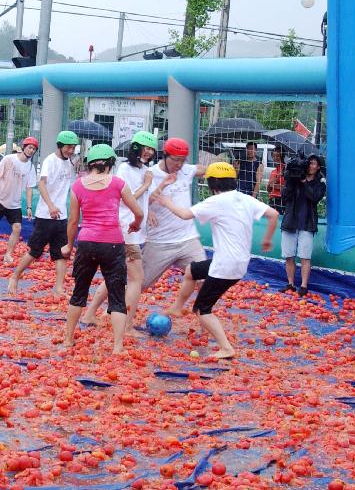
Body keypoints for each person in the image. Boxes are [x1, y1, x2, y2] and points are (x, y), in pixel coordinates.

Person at [157, 162, 279, 359]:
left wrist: (165, 201)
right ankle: (178, 306)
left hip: (225, 266)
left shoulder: (216, 201)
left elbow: (185, 214)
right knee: (192, 270)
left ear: (212, 185)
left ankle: (226, 347)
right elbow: (273, 214)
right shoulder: (244, 198)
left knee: (202, 309)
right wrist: (266, 240)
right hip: (237, 262)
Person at [60, 144, 145, 355]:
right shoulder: (118, 184)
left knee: (79, 292)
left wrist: (70, 245)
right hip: (113, 243)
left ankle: (68, 339)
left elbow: (72, 221)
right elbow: (138, 211)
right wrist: (135, 224)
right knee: (116, 295)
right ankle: (117, 346)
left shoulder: (78, 186)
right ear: (110, 164)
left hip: (87, 242)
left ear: (91, 164)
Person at [81, 131, 157, 332]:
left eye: (152, 149)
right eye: (146, 148)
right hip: (126, 229)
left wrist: (148, 210)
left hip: (132, 230)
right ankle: (127, 325)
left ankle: (89, 315)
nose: (149, 152)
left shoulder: (143, 170)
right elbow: (127, 197)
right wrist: (147, 184)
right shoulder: (125, 169)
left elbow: (140, 199)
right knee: (136, 280)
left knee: (115, 276)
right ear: (135, 148)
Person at [8, 130, 80, 296]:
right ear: (60, 146)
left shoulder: (69, 164)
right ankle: (15, 277)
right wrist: (51, 206)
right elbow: (41, 185)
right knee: (34, 251)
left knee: (62, 254)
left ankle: (59, 288)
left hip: (61, 217)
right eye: (69, 147)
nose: (71, 150)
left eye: (73, 147)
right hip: (45, 216)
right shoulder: (50, 161)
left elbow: (72, 186)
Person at [143, 137, 208, 291]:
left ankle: (197, 312)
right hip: (160, 241)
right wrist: (149, 209)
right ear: (165, 155)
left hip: (188, 239)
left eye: (183, 161)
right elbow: (137, 201)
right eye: (176, 160)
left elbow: (203, 169)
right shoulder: (150, 174)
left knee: (205, 279)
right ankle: (112, 310)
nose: (179, 165)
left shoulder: (186, 170)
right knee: (140, 283)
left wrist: (223, 168)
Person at [280, 154, 327, 296]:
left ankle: (304, 286)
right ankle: (290, 284)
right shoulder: (296, 178)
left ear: (318, 167)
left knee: (305, 256)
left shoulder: (321, 182)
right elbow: (285, 197)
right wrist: (290, 181)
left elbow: (314, 197)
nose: (311, 166)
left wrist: (304, 182)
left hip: (307, 223)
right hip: (290, 222)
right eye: (310, 163)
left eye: (314, 164)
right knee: (289, 255)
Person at [267, 146, 286, 214]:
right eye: (273, 156)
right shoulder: (273, 171)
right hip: (272, 201)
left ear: (282, 156)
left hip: (282, 201)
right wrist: (270, 185)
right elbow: (268, 189)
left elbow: (288, 188)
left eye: (277, 156)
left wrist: (275, 185)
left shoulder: (286, 170)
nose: (275, 158)